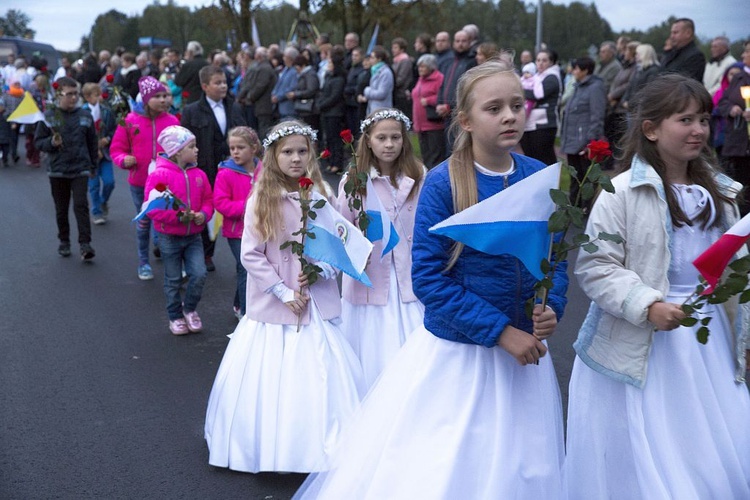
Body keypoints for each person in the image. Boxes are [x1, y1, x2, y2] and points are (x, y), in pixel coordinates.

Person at [295, 60, 568, 499]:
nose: (510, 116)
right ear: (465, 120)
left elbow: (554, 258)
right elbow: (429, 278)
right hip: (464, 352)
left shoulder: (539, 175)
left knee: (523, 460)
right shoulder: (442, 183)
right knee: (455, 458)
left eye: (517, 105)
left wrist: (552, 305)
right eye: (494, 108)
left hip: (525, 351)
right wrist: (500, 332)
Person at [565, 73, 750, 499]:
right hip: (644, 336)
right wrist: (647, 304)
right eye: (684, 120)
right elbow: (596, 266)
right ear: (651, 129)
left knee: (706, 435)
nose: (699, 130)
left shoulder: (721, 195)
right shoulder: (620, 192)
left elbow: (731, 268)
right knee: (654, 437)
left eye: (703, 119)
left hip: (705, 338)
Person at [204, 120, 365, 473]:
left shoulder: (321, 196)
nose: (296, 159)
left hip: (314, 303)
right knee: (275, 379)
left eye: (302, 151)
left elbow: (339, 247)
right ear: (273, 156)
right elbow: (251, 254)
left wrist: (321, 271)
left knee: (320, 374)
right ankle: (273, 446)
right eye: (288, 152)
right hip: (276, 306)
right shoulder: (261, 200)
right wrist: (282, 290)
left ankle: (321, 445)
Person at [336, 108, 425, 388]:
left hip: (409, 275)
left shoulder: (419, 174)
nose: (389, 144)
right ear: (369, 140)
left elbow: (427, 221)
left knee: (414, 346)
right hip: (372, 278)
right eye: (382, 137)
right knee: (376, 347)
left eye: (395, 137)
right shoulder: (354, 180)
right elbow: (342, 228)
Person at [144, 126, 212, 335]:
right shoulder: (159, 175)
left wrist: (203, 214)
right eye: (192, 146)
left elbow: (209, 201)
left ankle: (189, 309)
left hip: (194, 237)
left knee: (199, 274)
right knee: (173, 280)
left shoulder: (199, 174)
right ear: (177, 151)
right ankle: (175, 316)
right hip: (169, 237)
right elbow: (151, 208)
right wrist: (177, 217)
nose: (197, 150)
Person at [111, 76, 180, 280]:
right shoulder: (130, 121)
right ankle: (143, 262)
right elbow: (117, 149)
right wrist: (125, 159)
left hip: (166, 181)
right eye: (157, 96)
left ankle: (170, 259)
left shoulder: (172, 121)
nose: (163, 100)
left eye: (165, 95)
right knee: (145, 221)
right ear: (146, 99)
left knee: (166, 219)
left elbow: (181, 148)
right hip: (140, 181)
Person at [181, 64, 247, 272]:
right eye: (217, 83)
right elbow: (186, 142)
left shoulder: (234, 107)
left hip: (232, 168)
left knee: (234, 208)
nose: (223, 86)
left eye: (225, 82)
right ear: (205, 86)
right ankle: (206, 252)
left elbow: (245, 133)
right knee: (205, 210)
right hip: (205, 168)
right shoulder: (191, 111)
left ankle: (244, 253)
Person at [33, 77, 98, 260]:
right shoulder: (49, 116)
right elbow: (39, 142)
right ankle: (64, 241)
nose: (73, 98)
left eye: (76, 94)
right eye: (69, 94)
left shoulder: (85, 115)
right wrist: (51, 142)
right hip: (58, 170)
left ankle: (85, 244)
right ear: (58, 94)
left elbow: (92, 142)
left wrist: (93, 165)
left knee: (81, 205)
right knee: (61, 208)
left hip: (80, 168)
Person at [213, 126, 263, 319]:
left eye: (240, 147)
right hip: (237, 232)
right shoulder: (225, 173)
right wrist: (250, 207)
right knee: (246, 268)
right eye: (232, 148)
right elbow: (221, 203)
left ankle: (238, 303)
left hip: (261, 229)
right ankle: (246, 313)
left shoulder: (264, 169)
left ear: (254, 148)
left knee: (248, 268)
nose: (235, 152)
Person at [559, 56, 607, 207]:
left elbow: (597, 115)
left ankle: (586, 208)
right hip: (573, 139)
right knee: (575, 176)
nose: (573, 71)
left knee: (587, 177)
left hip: (584, 141)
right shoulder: (578, 86)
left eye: (576, 68)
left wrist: (590, 142)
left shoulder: (595, 87)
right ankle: (574, 206)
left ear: (586, 70)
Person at [718, 41, 750, 215]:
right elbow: (723, 102)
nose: (743, 55)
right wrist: (732, 109)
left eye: (747, 52)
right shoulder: (739, 78)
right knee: (741, 185)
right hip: (739, 142)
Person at [81, 83, 117, 225]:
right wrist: (93, 147)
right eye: (96, 95)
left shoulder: (106, 111)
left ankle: (103, 202)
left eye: (99, 94)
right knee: (94, 185)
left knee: (109, 182)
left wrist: (107, 139)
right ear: (88, 97)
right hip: (90, 157)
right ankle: (96, 212)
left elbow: (113, 130)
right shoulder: (82, 112)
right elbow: (81, 135)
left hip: (105, 154)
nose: (100, 97)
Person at [521, 48, 562, 165]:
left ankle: (550, 182)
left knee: (543, 158)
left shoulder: (552, 77)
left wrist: (519, 91)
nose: (540, 63)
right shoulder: (538, 76)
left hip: (544, 124)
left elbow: (537, 95)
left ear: (551, 62)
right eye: (538, 60)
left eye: (544, 60)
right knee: (531, 157)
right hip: (532, 124)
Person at [411, 54, 445, 169]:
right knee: (425, 156)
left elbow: (444, 96)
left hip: (433, 124)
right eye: (419, 67)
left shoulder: (439, 78)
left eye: (423, 67)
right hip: (421, 125)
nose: (420, 69)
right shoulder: (420, 79)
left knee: (435, 157)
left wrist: (429, 100)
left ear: (431, 67)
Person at [237, 47, 277, 140]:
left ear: (258, 56)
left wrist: (250, 97)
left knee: (264, 130)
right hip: (263, 104)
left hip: (264, 105)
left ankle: (265, 151)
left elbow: (260, 86)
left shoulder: (264, 68)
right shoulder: (264, 67)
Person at [317, 54, 347, 174]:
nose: (328, 66)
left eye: (330, 64)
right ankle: (330, 161)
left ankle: (337, 163)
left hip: (335, 112)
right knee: (328, 138)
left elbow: (335, 96)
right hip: (327, 112)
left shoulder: (339, 79)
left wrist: (322, 104)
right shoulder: (329, 77)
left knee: (335, 139)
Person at [661, 18, 706, 82]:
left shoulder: (696, 57)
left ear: (688, 33)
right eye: (671, 33)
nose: (671, 36)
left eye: (675, 33)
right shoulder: (673, 53)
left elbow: (682, 84)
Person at [621, 44, 661, 113]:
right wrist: (624, 100)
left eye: (637, 54)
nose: (635, 56)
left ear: (644, 54)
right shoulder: (638, 69)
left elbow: (648, 92)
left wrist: (630, 104)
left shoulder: (654, 71)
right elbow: (630, 86)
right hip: (632, 108)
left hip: (641, 110)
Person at [288, 55, 321, 131]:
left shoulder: (310, 75)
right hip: (304, 109)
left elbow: (311, 90)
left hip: (311, 109)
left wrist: (296, 94)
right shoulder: (303, 75)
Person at [360, 46, 394, 116]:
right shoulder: (375, 71)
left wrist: (367, 91)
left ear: (379, 59)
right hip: (373, 109)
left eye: (372, 58)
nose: (370, 60)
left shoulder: (385, 72)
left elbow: (381, 93)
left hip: (382, 110)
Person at [175, 41, 209, 105]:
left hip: (190, 98)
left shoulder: (188, 65)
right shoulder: (207, 64)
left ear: (190, 52)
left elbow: (178, 82)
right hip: (205, 96)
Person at [271, 47, 300, 121]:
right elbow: (279, 83)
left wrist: (279, 97)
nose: (283, 58)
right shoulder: (285, 70)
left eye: (285, 56)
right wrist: (274, 94)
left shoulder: (294, 71)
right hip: (281, 107)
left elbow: (292, 87)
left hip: (289, 107)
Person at [391, 37, 413, 119]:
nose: (393, 50)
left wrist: (391, 84)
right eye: (393, 47)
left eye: (395, 47)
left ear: (402, 49)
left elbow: (402, 78)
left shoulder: (405, 61)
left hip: (402, 94)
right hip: (396, 93)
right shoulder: (396, 61)